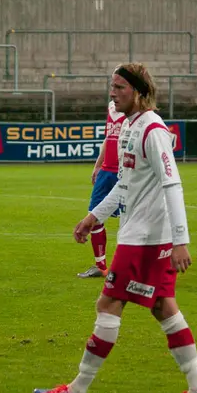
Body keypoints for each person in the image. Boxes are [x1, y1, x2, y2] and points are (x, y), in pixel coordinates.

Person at [34, 63, 197, 393]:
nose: (112, 93)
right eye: (111, 87)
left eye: (119, 88)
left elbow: (172, 183)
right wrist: (92, 217)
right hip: (142, 234)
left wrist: (180, 240)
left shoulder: (152, 129)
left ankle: (77, 390)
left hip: (145, 239)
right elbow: (125, 185)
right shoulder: (129, 126)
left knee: (108, 303)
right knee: (164, 307)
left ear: (139, 92)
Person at [77, 100, 126, 278]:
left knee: (132, 219)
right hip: (106, 171)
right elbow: (108, 138)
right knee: (94, 215)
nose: (114, 90)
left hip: (125, 171)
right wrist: (98, 165)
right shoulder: (113, 107)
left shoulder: (135, 110)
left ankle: (136, 264)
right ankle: (101, 266)